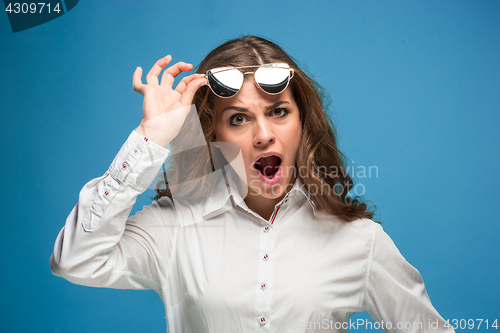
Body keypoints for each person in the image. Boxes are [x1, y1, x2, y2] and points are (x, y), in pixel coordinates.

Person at [50, 36, 454, 332]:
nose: (263, 134)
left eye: (278, 111)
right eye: (238, 118)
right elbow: (75, 260)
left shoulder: (359, 241)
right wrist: (150, 138)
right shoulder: (173, 227)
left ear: (303, 123)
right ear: (214, 135)